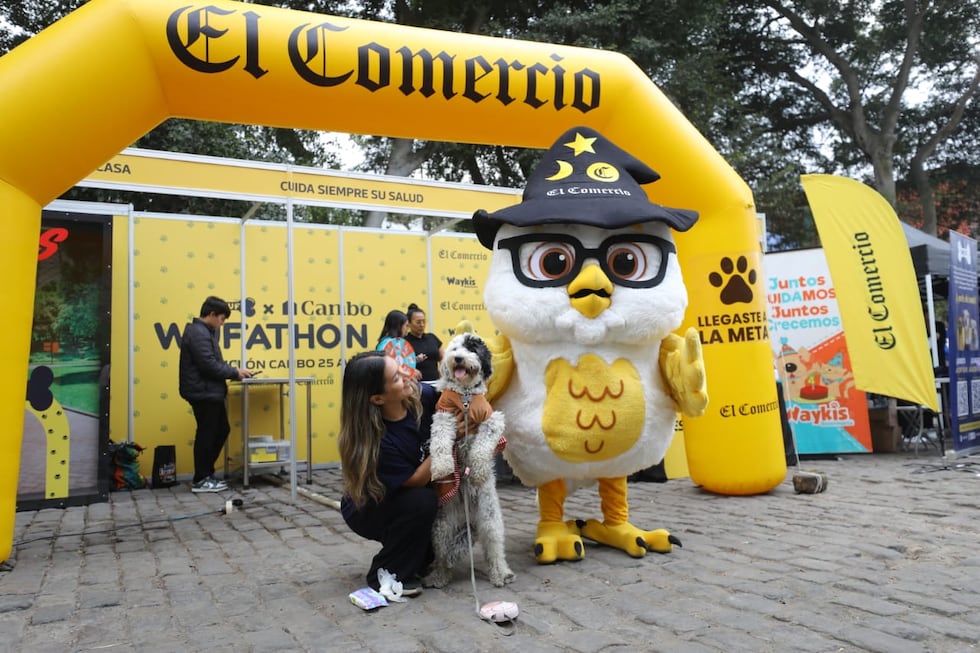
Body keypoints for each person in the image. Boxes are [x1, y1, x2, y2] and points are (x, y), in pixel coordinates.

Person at [338, 351, 437, 595]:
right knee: (422, 502)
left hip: (407, 495)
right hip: (370, 506)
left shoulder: (422, 396)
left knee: (430, 554)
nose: (406, 375)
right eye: (395, 378)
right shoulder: (378, 441)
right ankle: (386, 572)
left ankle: (411, 552)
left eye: (401, 368)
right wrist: (447, 443)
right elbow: (415, 481)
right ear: (378, 399)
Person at [178, 296, 253, 493]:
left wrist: (233, 371)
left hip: (209, 391)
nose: (223, 323)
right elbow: (208, 365)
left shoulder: (204, 332)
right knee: (208, 433)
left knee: (220, 430)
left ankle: (206, 475)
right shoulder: (198, 333)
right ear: (211, 314)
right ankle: (201, 478)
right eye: (222, 318)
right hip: (203, 393)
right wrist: (234, 372)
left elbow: (212, 363)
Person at [376, 309, 420, 380]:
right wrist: (411, 372)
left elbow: (400, 360)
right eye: (406, 326)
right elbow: (387, 367)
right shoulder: (387, 343)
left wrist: (415, 360)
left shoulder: (393, 341)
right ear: (399, 326)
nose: (407, 329)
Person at [405, 303, 443, 382]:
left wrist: (443, 374)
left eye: (424, 321)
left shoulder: (432, 338)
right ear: (409, 323)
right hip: (416, 384)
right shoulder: (404, 342)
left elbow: (443, 358)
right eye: (418, 322)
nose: (422, 325)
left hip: (436, 382)